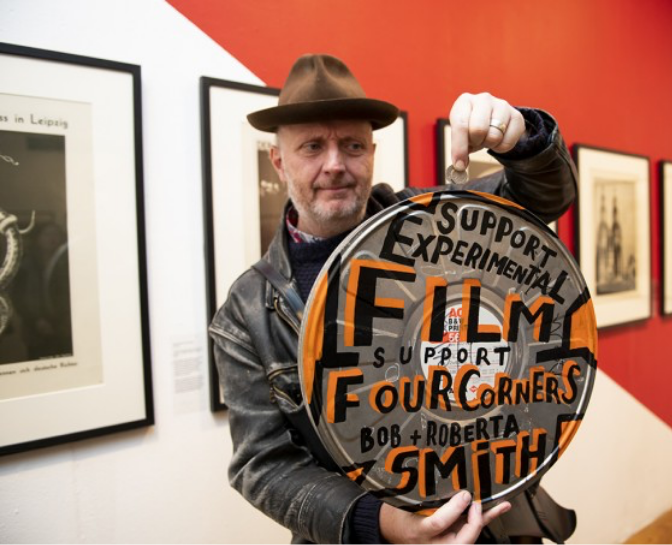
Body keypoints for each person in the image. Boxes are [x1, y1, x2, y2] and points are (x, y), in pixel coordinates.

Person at [210, 54, 578, 545]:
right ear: (279, 161)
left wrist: (522, 138)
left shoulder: (437, 224)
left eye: (352, 145)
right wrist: (387, 525)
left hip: (495, 521)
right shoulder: (246, 311)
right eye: (312, 147)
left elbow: (541, 197)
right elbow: (263, 466)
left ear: (373, 152)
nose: (335, 164)